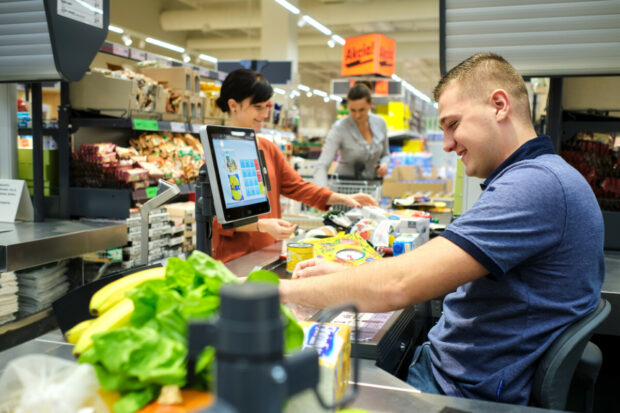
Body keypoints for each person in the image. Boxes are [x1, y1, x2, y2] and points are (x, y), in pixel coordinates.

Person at [279, 52, 605, 405]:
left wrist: (277, 294)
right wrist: (355, 273)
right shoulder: (538, 177)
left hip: (456, 391)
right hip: (462, 375)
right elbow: (431, 266)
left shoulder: (535, 186)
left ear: (499, 105)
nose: (447, 144)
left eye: (453, 125)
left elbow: (398, 285)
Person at [211, 69, 377, 262]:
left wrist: (344, 198)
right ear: (233, 105)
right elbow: (219, 218)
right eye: (258, 107)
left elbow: (297, 187)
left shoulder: (267, 148)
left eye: (267, 107)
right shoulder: (218, 150)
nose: (265, 114)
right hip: (235, 260)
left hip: (268, 252)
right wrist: (262, 225)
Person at [313, 81, 390, 187]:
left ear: (371, 104)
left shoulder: (380, 123)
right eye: (352, 110)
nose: (357, 115)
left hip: (371, 189)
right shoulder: (339, 128)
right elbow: (321, 165)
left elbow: (385, 154)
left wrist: (384, 165)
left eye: (361, 110)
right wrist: (323, 194)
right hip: (344, 190)